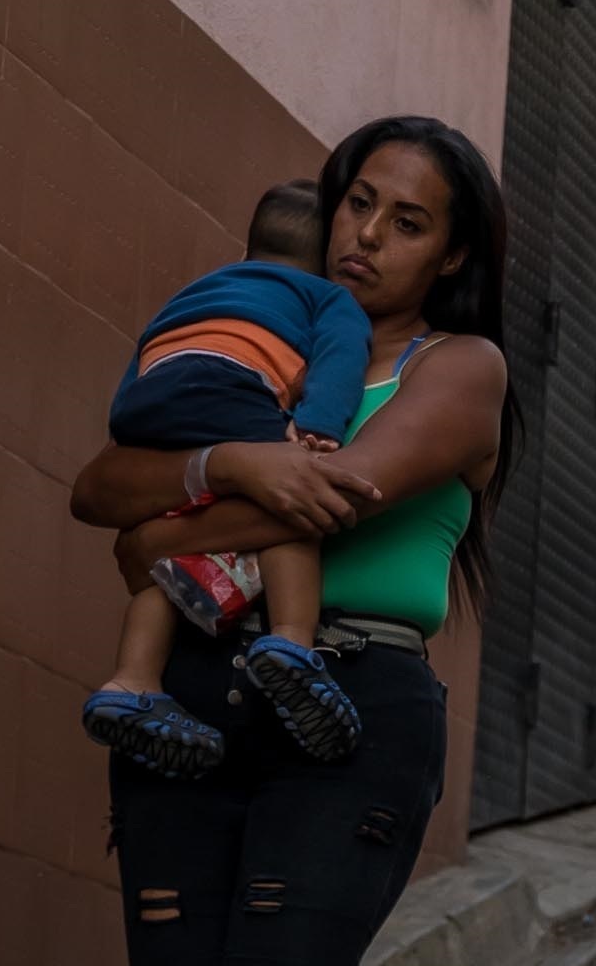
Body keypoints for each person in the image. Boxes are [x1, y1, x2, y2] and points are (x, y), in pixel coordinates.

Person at [66, 121, 515, 966]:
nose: (366, 235)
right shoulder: (263, 338)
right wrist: (217, 481)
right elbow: (101, 486)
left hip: (353, 706)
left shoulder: (458, 371)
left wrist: (191, 501)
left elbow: (337, 486)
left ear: (454, 256)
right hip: (196, 700)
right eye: (355, 203)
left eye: (407, 220)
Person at [80, 179, 375, 778]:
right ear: (327, 262)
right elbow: (342, 356)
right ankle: (293, 646)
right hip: (233, 391)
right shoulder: (325, 295)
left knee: (171, 531)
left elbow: (142, 356)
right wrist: (318, 429)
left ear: (247, 250)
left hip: (152, 401)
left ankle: (131, 681)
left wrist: (130, 426)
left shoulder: (198, 290)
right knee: (292, 505)